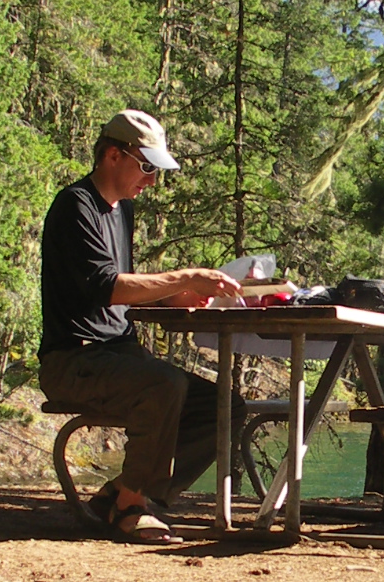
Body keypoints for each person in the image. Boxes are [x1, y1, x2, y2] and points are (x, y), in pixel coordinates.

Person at [38, 111, 240, 543]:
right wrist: (183, 278)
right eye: (147, 167)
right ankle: (131, 506)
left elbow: (122, 285)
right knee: (164, 384)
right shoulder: (75, 206)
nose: (151, 181)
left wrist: (175, 297)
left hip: (118, 354)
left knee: (226, 406)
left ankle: (122, 492)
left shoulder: (121, 211)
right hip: (74, 359)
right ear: (113, 155)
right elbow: (102, 286)